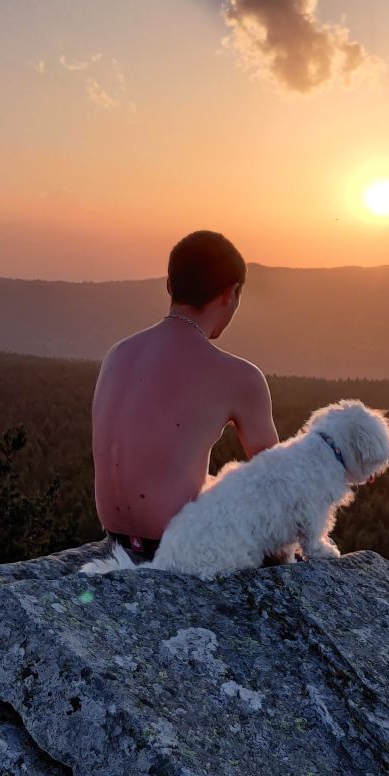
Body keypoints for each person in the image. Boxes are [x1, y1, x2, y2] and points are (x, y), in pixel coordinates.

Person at [91, 230, 278, 565]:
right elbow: (277, 482)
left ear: (169, 285)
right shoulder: (239, 376)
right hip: (179, 552)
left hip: (115, 544)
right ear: (229, 294)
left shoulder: (117, 354)